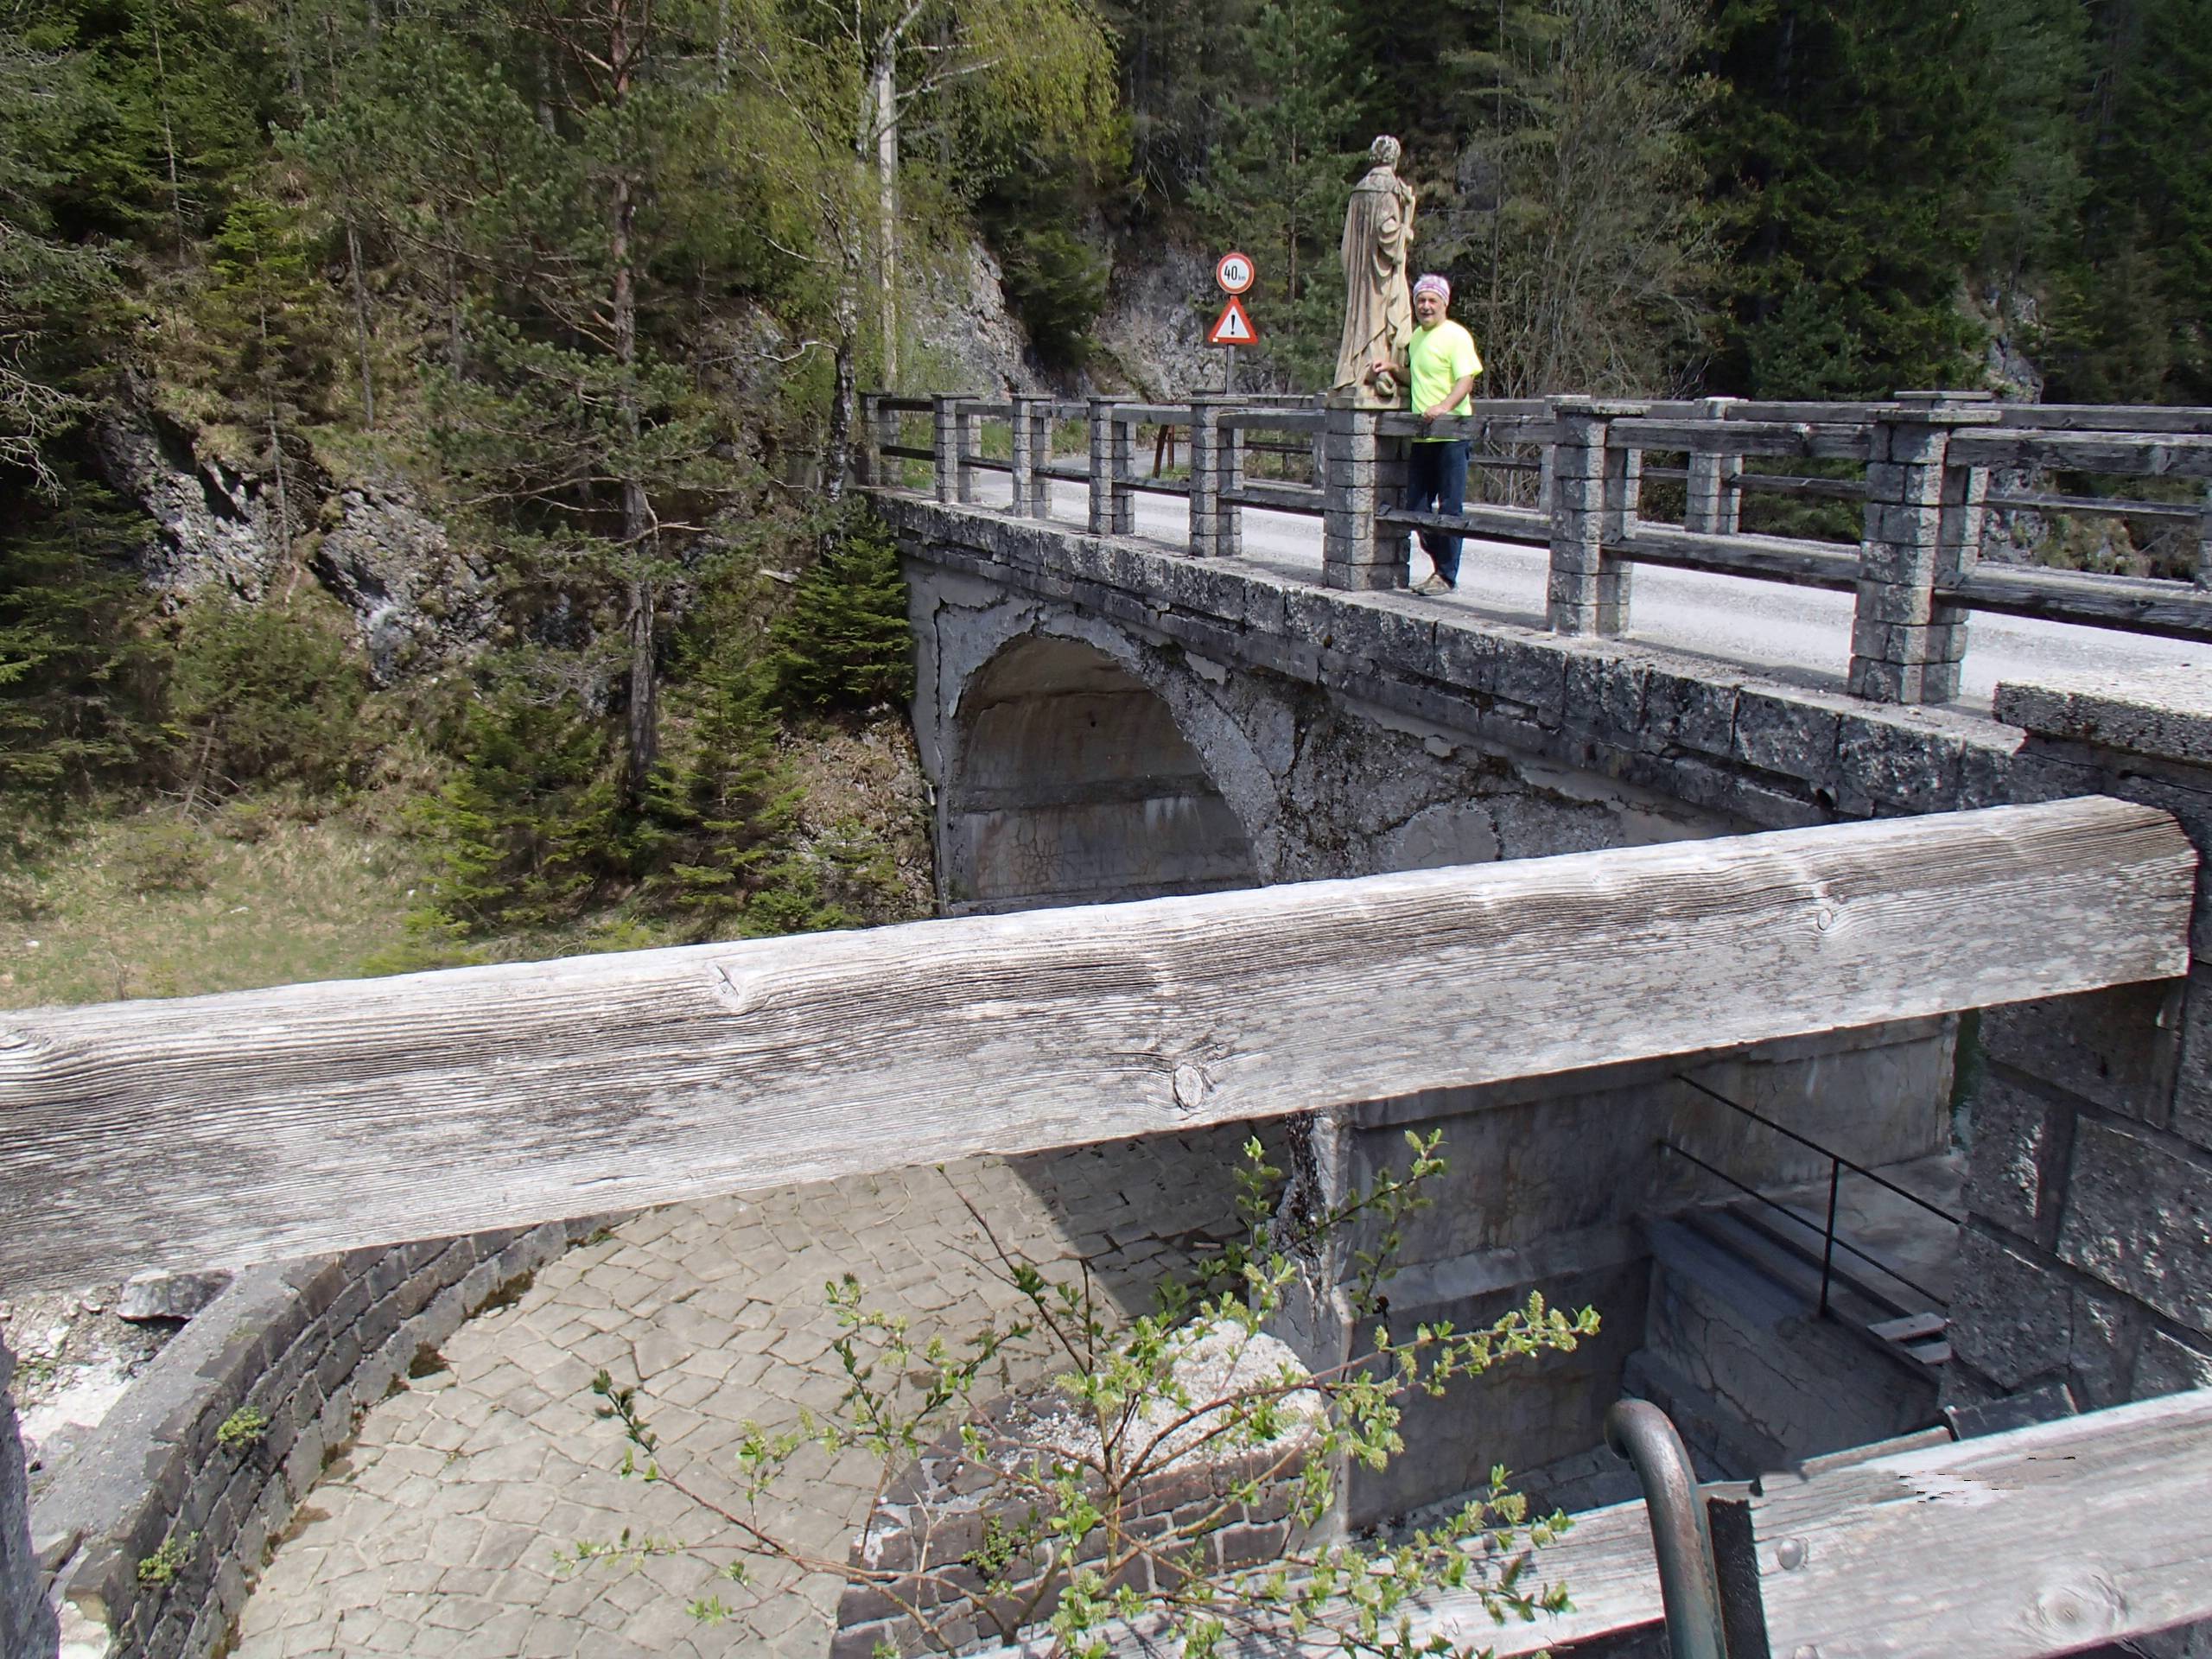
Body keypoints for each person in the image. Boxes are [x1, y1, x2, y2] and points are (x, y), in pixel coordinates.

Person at [1397, 273, 1482, 593]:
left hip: (1451, 435)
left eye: (1432, 300)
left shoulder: (1455, 336)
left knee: (1450, 508)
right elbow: (1418, 378)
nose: (1426, 306)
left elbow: (1465, 380)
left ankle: (1446, 575)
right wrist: (1393, 370)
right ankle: (1441, 564)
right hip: (1423, 436)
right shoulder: (1417, 338)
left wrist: (1444, 407)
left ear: (1444, 303)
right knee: (1416, 510)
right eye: (1421, 300)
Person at [1332, 137, 1417, 407]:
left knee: (1361, 318)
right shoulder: (1390, 189)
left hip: (1360, 273)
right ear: (1395, 159)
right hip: (1380, 276)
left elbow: (1348, 243)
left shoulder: (1360, 191)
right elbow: (1388, 235)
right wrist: (1407, 225)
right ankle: (1376, 370)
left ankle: (1358, 367)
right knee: (1382, 320)